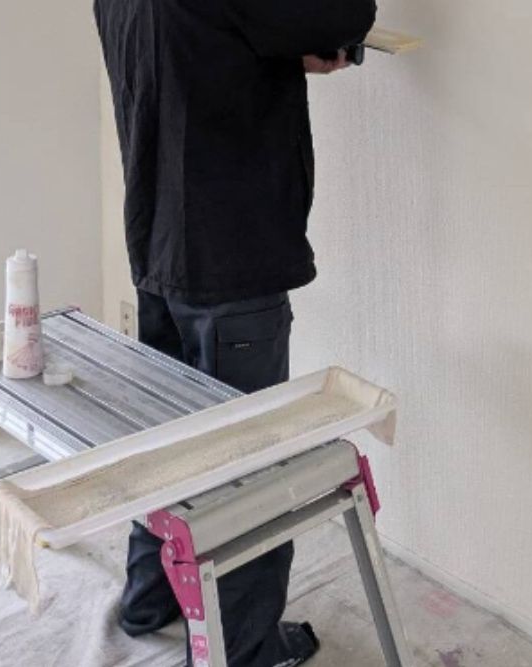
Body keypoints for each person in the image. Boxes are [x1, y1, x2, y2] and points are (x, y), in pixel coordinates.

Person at [93, 0, 377, 665]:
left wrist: (279, 48)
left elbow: (199, 51)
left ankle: (149, 598)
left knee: (166, 443)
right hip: (228, 262)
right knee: (245, 474)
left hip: (157, 244)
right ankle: (246, 651)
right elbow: (346, 13)